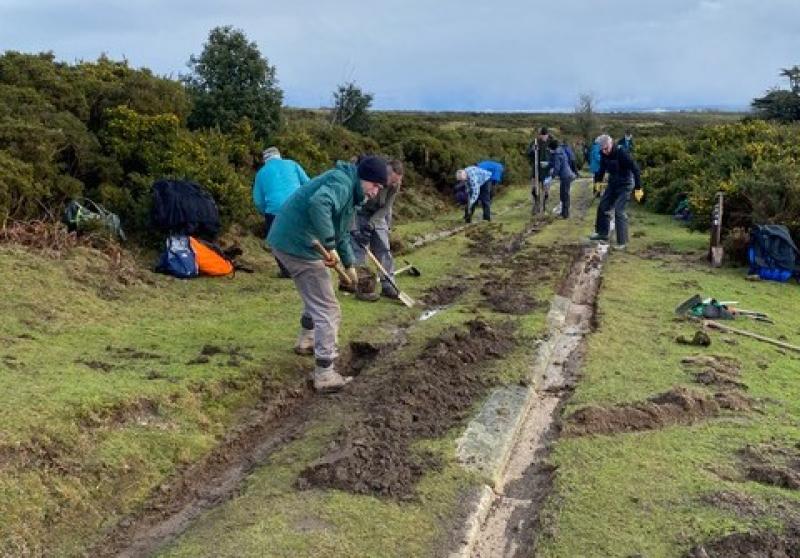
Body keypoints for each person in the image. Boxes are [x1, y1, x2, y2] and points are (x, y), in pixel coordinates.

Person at [267, 156, 388, 392]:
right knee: (329, 308)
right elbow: (319, 203)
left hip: (291, 241)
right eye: (375, 185)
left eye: (380, 188)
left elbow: (341, 232)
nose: (376, 192)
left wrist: (349, 265)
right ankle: (324, 373)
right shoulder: (341, 183)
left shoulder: (352, 192)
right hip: (297, 244)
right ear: (364, 178)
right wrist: (329, 245)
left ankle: (307, 339)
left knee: (318, 291)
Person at [350, 159, 404, 300]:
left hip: (377, 214)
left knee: (383, 248)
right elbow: (350, 205)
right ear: (386, 172)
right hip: (358, 212)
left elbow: (386, 207)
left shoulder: (395, 185)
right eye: (391, 180)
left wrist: (371, 225)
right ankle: (362, 286)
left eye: (396, 181)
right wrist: (355, 230)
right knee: (358, 249)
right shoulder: (368, 178)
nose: (392, 184)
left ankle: (388, 286)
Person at [252, 147, 310, 277]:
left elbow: (258, 200)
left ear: (265, 160)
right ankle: (304, 265)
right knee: (300, 238)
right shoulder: (292, 164)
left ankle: (286, 270)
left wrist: (265, 211)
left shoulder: (261, 173)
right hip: (296, 207)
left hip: (274, 211)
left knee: (277, 243)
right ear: (279, 155)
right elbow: (308, 184)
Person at [589, 134, 642, 250]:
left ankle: (622, 242)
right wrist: (598, 183)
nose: (605, 151)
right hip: (613, 183)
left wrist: (638, 188)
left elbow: (635, 169)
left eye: (606, 148)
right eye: (602, 149)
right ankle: (602, 233)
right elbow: (602, 169)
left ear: (611, 143)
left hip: (626, 184)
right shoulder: (603, 153)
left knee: (619, 210)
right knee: (603, 206)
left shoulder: (622, 152)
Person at [548, 139, 576, 219]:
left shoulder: (557, 154)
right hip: (566, 175)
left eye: (549, 149)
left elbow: (557, 167)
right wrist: (549, 164)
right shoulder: (560, 151)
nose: (549, 150)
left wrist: (551, 177)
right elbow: (557, 163)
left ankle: (565, 214)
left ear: (552, 148)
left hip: (565, 176)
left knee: (565, 195)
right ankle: (564, 212)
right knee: (563, 195)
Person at [526, 127, 553, 211]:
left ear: (547, 135)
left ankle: (544, 205)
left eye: (545, 135)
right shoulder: (535, 142)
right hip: (536, 169)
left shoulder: (551, 142)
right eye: (542, 135)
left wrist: (552, 166)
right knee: (534, 188)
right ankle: (536, 203)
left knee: (546, 189)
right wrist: (533, 150)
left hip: (547, 170)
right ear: (540, 135)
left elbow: (555, 153)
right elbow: (528, 153)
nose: (544, 137)